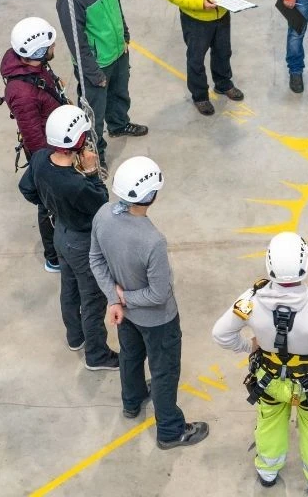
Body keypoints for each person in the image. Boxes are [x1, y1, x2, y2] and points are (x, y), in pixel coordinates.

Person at [212, 232, 308, 495]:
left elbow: (221, 333)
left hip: (268, 381)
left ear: (269, 264)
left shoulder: (251, 299)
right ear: (306, 264)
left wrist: (249, 346)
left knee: (269, 424)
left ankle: (267, 473)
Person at [89, 156, 210, 448]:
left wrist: (115, 301)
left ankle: (131, 402)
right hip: (158, 321)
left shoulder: (104, 214)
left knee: (130, 355)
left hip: (125, 316)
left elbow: (95, 259)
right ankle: (170, 430)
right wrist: (124, 298)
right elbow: (159, 294)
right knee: (164, 372)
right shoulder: (152, 241)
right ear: (152, 195)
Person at [18, 105, 118, 370]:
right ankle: (97, 355)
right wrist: (92, 171)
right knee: (93, 299)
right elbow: (102, 203)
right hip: (83, 243)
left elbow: (26, 188)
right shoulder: (76, 183)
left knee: (69, 288)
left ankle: (75, 336)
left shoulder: (40, 158)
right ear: (78, 140)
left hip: (61, 234)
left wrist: (51, 205)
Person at [56, 0, 148, 162]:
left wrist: (124, 35)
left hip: (117, 52)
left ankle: (118, 125)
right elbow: (77, 42)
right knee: (92, 115)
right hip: (96, 65)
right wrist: (93, 73)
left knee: (120, 94)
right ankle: (95, 155)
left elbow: (116, 5)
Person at [1, 16, 69, 272]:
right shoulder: (24, 93)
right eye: (51, 45)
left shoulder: (33, 71)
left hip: (55, 143)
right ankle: (53, 257)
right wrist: (52, 168)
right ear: (39, 51)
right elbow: (34, 138)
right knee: (48, 204)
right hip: (47, 153)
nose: (54, 47)